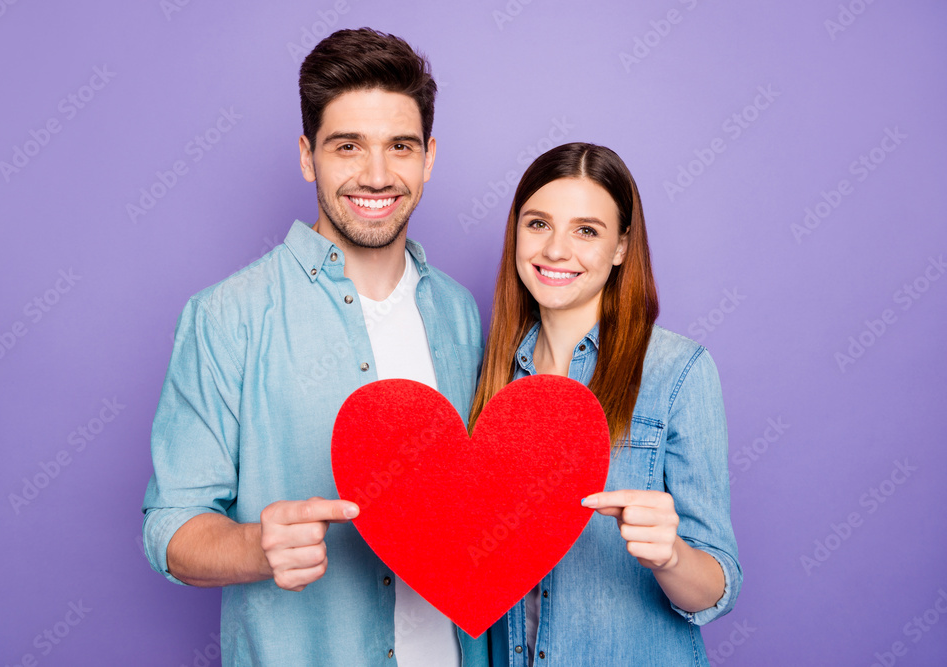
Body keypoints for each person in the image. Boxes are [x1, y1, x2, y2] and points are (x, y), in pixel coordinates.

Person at [141, 28, 487, 666]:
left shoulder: (461, 315)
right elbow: (171, 527)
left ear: (429, 157)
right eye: (348, 146)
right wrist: (256, 547)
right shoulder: (227, 317)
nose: (377, 175)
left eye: (400, 147)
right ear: (308, 157)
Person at [470, 142, 742, 665]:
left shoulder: (678, 372)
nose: (554, 251)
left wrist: (670, 556)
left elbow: (716, 591)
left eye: (586, 231)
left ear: (620, 247)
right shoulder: (491, 374)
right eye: (538, 224)